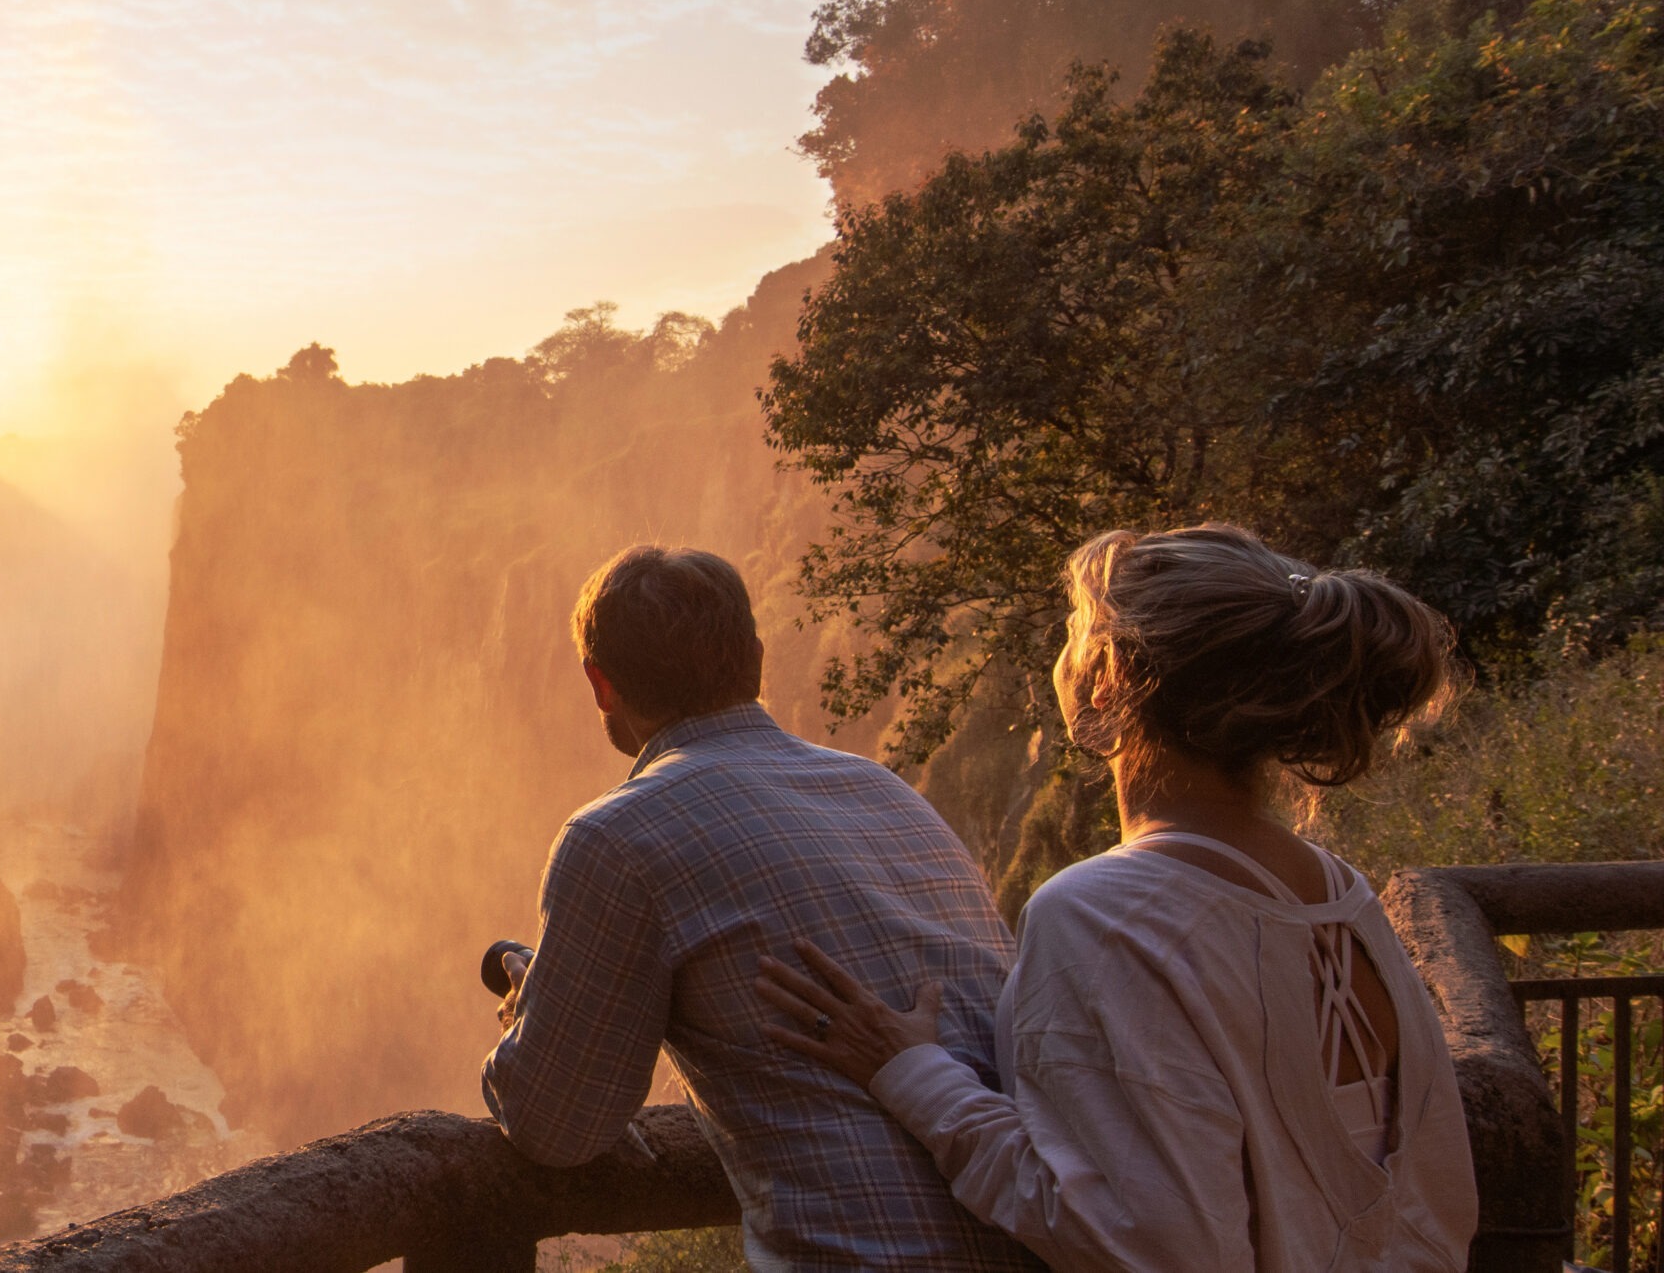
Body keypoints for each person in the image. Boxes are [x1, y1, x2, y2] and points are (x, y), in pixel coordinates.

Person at [756, 525, 1479, 1272]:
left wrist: (916, 1076)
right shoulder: (1339, 893)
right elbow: (1432, 1198)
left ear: (1114, 672)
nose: (1063, 653)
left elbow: (1141, 1243)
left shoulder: (1104, 913)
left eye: (1077, 632)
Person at [481, 545, 1041, 1272]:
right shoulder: (887, 791)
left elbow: (556, 1125)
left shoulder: (617, 835)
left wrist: (534, 1011)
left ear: (600, 682)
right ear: (756, 657)